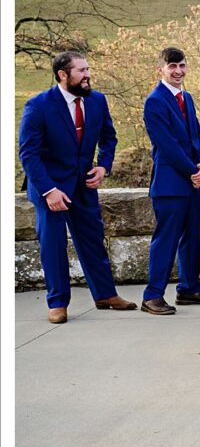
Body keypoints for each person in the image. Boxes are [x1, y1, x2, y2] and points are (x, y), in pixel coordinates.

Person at [18, 51, 138, 324]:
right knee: (54, 247)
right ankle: (58, 303)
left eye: (88, 69)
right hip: (50, 190)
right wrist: (49, 191)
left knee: (93, 241)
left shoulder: (97, 100)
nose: (88, 75)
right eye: (81, 70)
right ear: (63, 75)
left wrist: (103, 167)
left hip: (84, 186)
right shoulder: (38, 106)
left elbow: (109, 138)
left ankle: (105, 295)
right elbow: (28, 154)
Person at [140, 47, 200, 316]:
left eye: (182, 66)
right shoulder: (155, 101)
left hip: (191, 183)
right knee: (166, 240)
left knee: (191, 238)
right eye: (172, 66)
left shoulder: (186, 98)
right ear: (160, 69)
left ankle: (189, 289)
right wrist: (192, 170)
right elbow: (167, 145)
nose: (178, 71)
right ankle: (152, 296)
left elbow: (195, 137)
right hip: (169, 184)